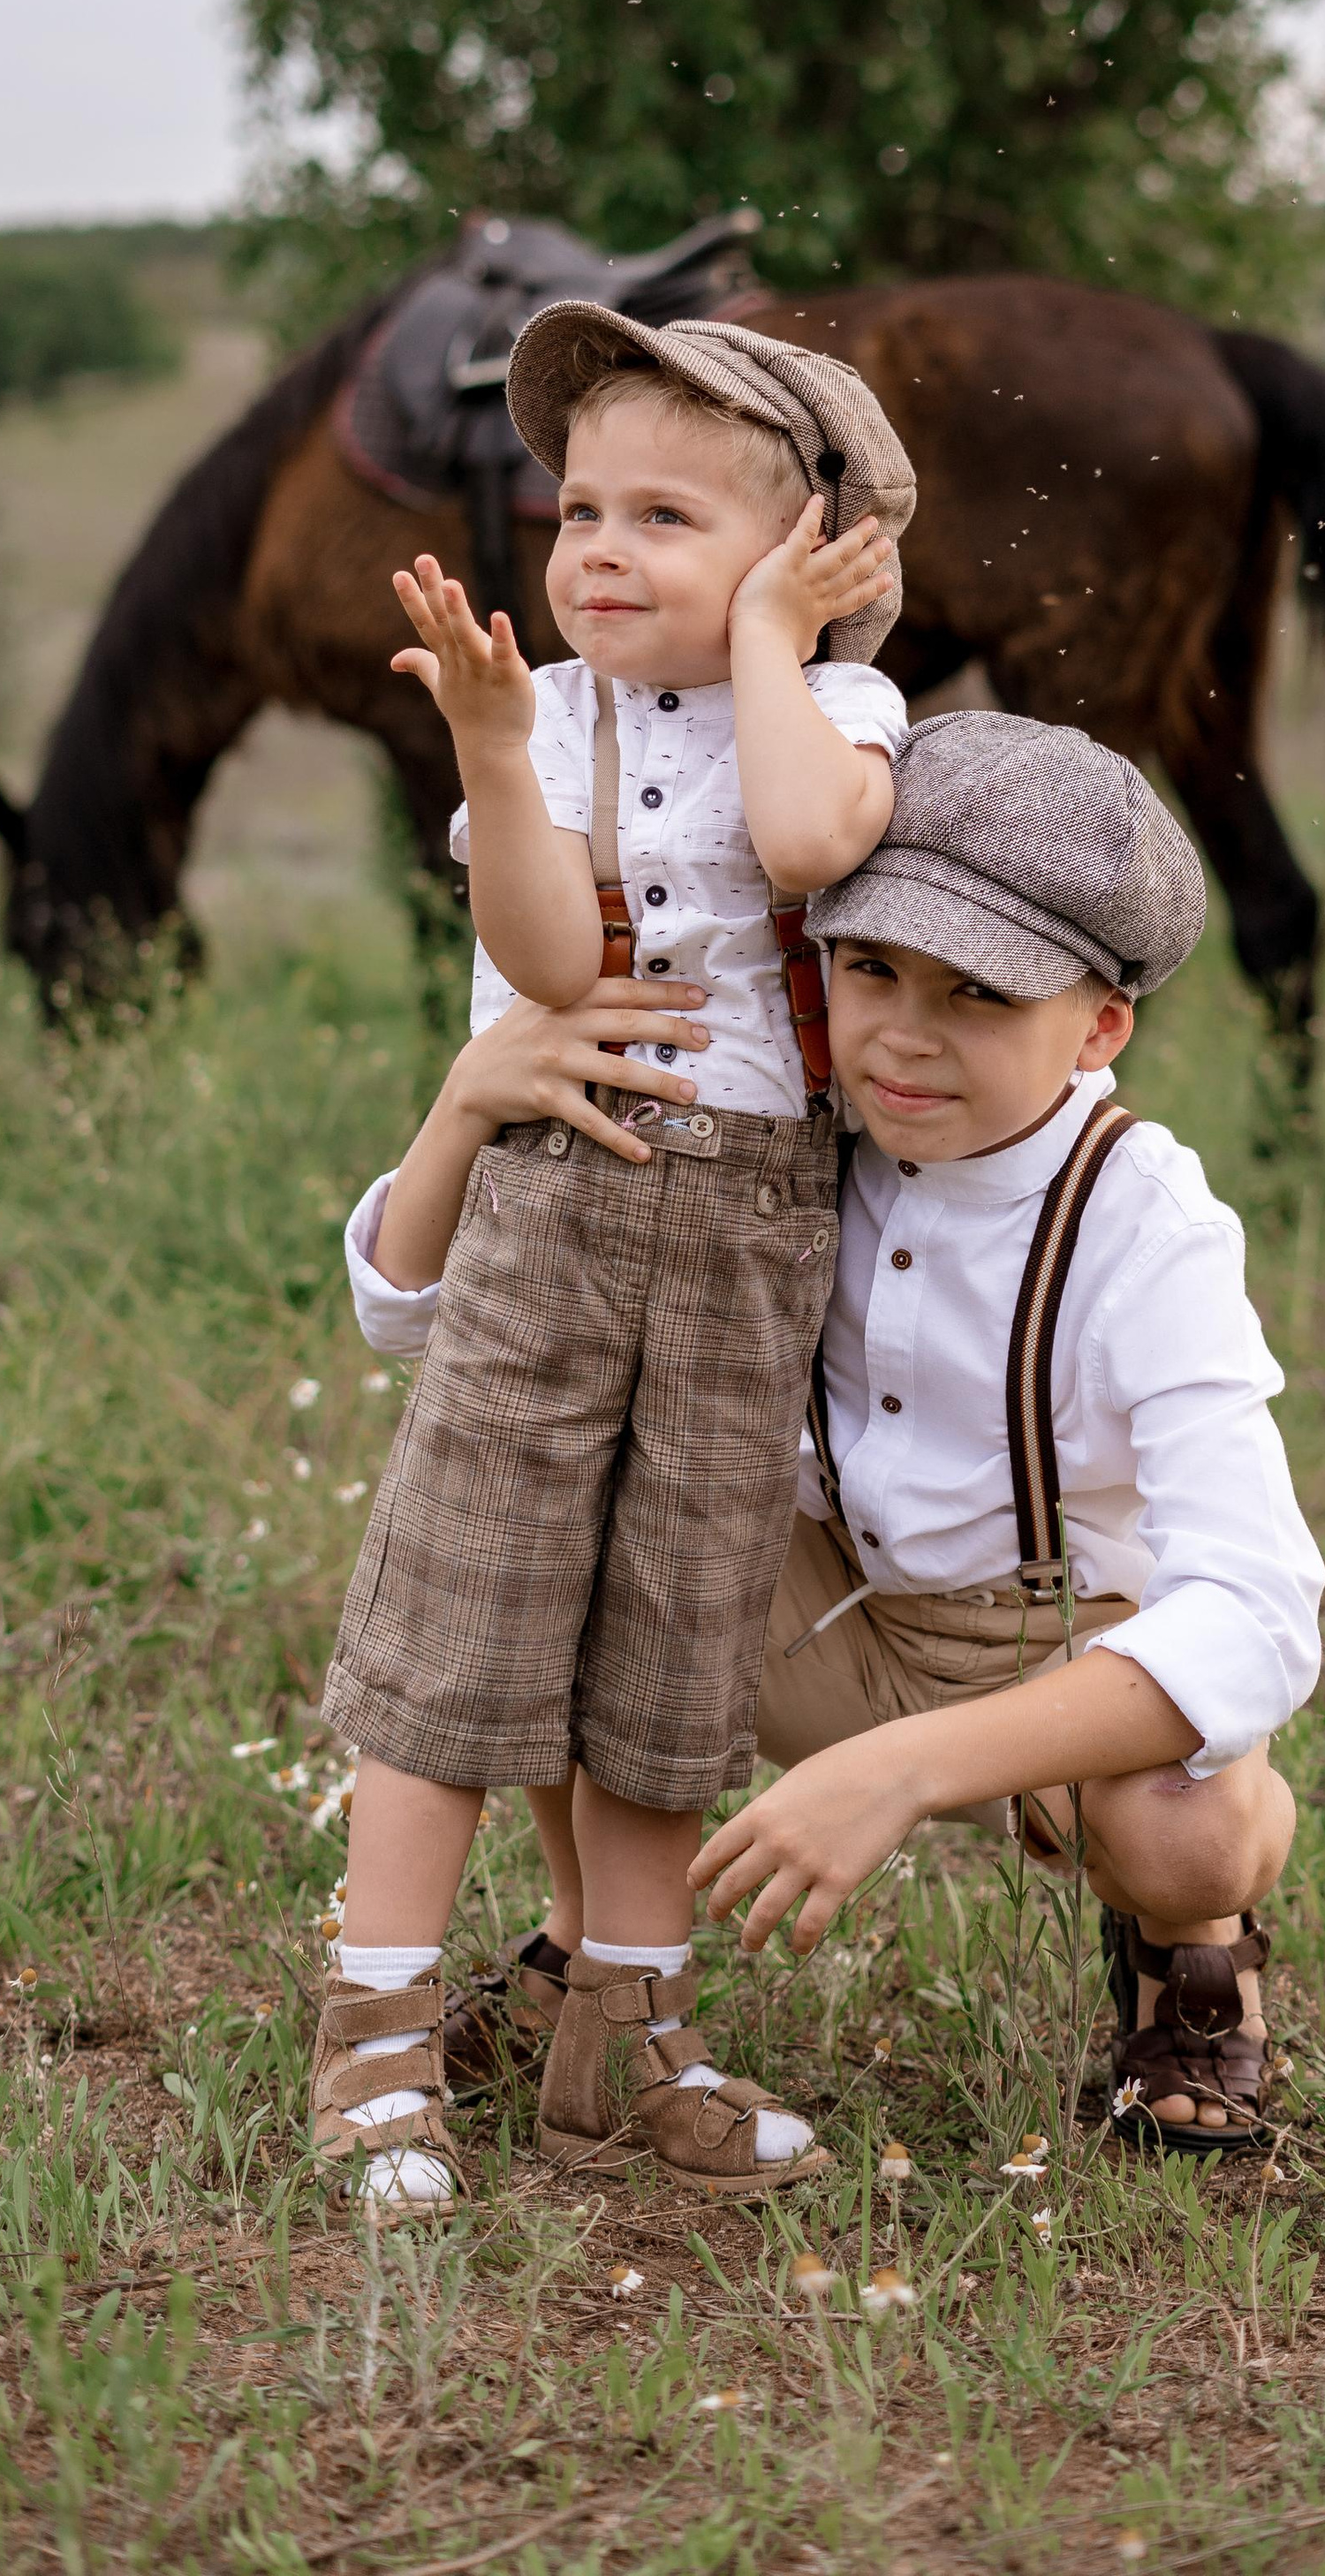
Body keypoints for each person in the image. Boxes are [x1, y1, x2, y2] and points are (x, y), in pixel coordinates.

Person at [344, 711, 1323, 2167]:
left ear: (1100, 1027)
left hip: (1045, 1636)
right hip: (802, 1599)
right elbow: (414, 1319)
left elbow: (1258, 1614)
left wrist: (907, 1767)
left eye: (980, 994)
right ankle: (587, 1942)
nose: (905, 1037)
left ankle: (1191, 1966)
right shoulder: (781, 1130)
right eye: (870, 969)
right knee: (568, 1531)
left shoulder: (1144, 1222)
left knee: (1195, 1829)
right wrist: (464, 1100)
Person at [311, 299, 915, 2216]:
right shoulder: (549, 712)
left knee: (674, 1645)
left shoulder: (843, 717)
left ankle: (626, 2035)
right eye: (580, 509)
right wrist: (498, 753)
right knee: (462, 1619)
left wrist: (768, 647)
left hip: (746, 1235)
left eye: (664, 516)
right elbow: (552, 962)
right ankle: (378, 2033)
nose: (597, 549)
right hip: (553, 1208)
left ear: (809, 555)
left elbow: (807, 847)